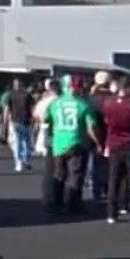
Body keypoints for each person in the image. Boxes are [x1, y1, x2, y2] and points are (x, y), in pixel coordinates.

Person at [42, 75, 95, 216]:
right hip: (75, 141)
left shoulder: (55, 103)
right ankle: (72, 204)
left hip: (58, 143)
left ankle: (57, 201)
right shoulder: (83, 104)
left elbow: (45, 118)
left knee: (59, 173)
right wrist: (96, 141)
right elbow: (91, 126)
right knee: (74, 174)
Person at [97, 76, 130, 225]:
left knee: (114, 178)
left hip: (113, 143)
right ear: (129, 88)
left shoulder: (108, 104)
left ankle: (111, 213)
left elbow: (106, 121)